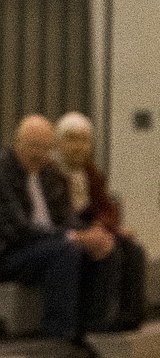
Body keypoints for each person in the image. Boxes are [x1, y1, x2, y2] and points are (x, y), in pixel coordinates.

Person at [0, 114, 114, 355]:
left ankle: (95, 327)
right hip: (11, 252)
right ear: (18, 143)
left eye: (45, 148)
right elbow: (19, 229)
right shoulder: (4, 174)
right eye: (34, 146)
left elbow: (67, 218)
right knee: (67, 250)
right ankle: (59, 333)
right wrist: (72, 237)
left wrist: (91, 233)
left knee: (105, 245)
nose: (40, 154)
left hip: (46, 244)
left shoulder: (47, 175)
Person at [56, 112, 146, 331]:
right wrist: (95, 230)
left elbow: (108, 207)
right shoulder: (51, 172)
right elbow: (58, 215)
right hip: (65, 232)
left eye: (84, 140)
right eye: (72, 139)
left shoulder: (90, 172)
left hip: (91, 228)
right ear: (59, 142)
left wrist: (103, 226)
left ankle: (129, 316)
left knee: (133, 249)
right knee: (108, 249)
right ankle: (96, 320)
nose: (78, 146)